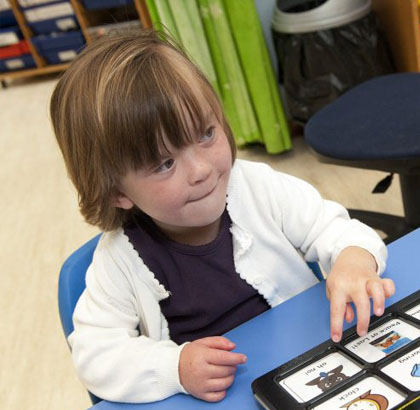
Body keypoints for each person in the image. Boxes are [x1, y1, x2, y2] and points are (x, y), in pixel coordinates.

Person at [50, 29, 394, 403]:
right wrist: (174, 367)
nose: (200, 169)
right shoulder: (119, 261)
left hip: (313, 367)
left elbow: (335, 229)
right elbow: (94, 354)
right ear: (117, 191)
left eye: (206, 134)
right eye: (165, 163)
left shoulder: (257, 186)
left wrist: (354, 262)